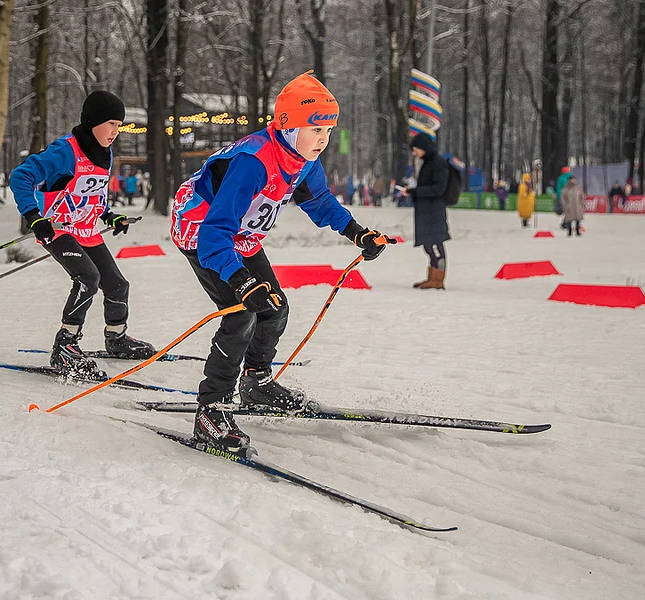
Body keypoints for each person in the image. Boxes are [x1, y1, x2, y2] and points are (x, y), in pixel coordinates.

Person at [170, 71, 394, 455]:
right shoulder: (254, 161)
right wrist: (240, 280)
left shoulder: (303, 158)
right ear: (288, 126)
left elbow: (320, 202)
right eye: (316, 129)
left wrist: (357, 232)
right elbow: (214, 233)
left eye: (329, 130)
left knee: (274, 308)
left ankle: (255, 383)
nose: (323, 139)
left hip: (241, 236)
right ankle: (210, 412)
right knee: (241, 313)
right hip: (202, 230)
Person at [10, 90, 156, 377]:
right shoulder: (65, 151)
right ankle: (65, 345)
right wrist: (33, 217)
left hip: (85, 229)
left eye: (119, 125)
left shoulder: (105, 153)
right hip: (57, 228)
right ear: (93, 122)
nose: (116, 131)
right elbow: (21, 176)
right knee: (88, 278)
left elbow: (93, 192)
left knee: (117, 285)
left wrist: (109, 216)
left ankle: (117, 338)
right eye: (111, 123)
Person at [403, 132, 450, 290]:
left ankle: (438, 279)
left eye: (416, 149)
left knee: (435, 245)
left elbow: (439, 188)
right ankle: (432, 277)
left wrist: (416, 191)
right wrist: (412, 191)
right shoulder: (428, 163)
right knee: (428, 245)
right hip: (426, 212)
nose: (414, 153)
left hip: (434, 213)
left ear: (424, 148)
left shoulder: (438, 163)